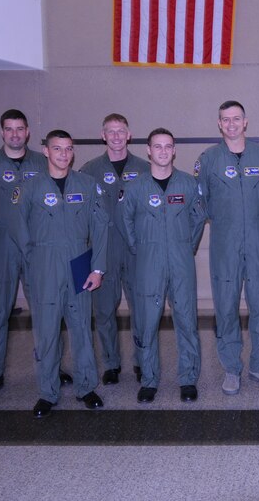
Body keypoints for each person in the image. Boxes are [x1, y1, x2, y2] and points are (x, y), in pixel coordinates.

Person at [12, 129, 108, 417]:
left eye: (68, 149)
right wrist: (35, 262)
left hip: (79, 262)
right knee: (46, 332)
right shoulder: (29, 187)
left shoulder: (88, 184)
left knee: (81, 328)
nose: (64, 154)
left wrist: (98, 267)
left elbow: (101, 228)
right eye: (57, 149)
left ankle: (87, 387)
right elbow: (18, 229)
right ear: (46, 151)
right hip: (45, 264)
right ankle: (47, 392)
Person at [195, 100, 259, 394]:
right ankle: (231, 368)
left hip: (257, 239)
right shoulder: (209, 159)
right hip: (224, 241)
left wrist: (250, 217)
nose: (231, 124)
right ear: (219, 124)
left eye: (236, 119)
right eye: (225, 119)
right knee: (226, 305)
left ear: (245, 122)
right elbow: (202, 199)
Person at [0, 109, 49, 399]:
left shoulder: (42, 162)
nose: (15, 134)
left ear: (27, 132)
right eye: (9, 129)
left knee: (45, 307)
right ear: (2, 132)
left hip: (35, 243)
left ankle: (49, 365)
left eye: (20, 129)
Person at [121, 128, 206, 403]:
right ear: (148, 150)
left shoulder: (187, 185)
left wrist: (186, 247)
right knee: (146, 322)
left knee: (187, 321)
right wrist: (142, 250)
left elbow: (197, 218)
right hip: (148, 263)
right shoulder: (135, 188)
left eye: (168, 146)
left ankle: (188, 379)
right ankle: (148, 379)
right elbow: (126, 223)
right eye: (157, 146)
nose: (163, 151)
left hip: (181, 262)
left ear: (174, 150)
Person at [80, 114, 150, 385]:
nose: (117, 136)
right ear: (103, 135)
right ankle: (111, 362)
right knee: (105, 310)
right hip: (103, 251)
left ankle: (143, 361)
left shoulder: (145, 168)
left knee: (140, 309)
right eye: (111, 132)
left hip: (136, 250)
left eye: (121, 131)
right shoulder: (89, 170)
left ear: (129, 134)